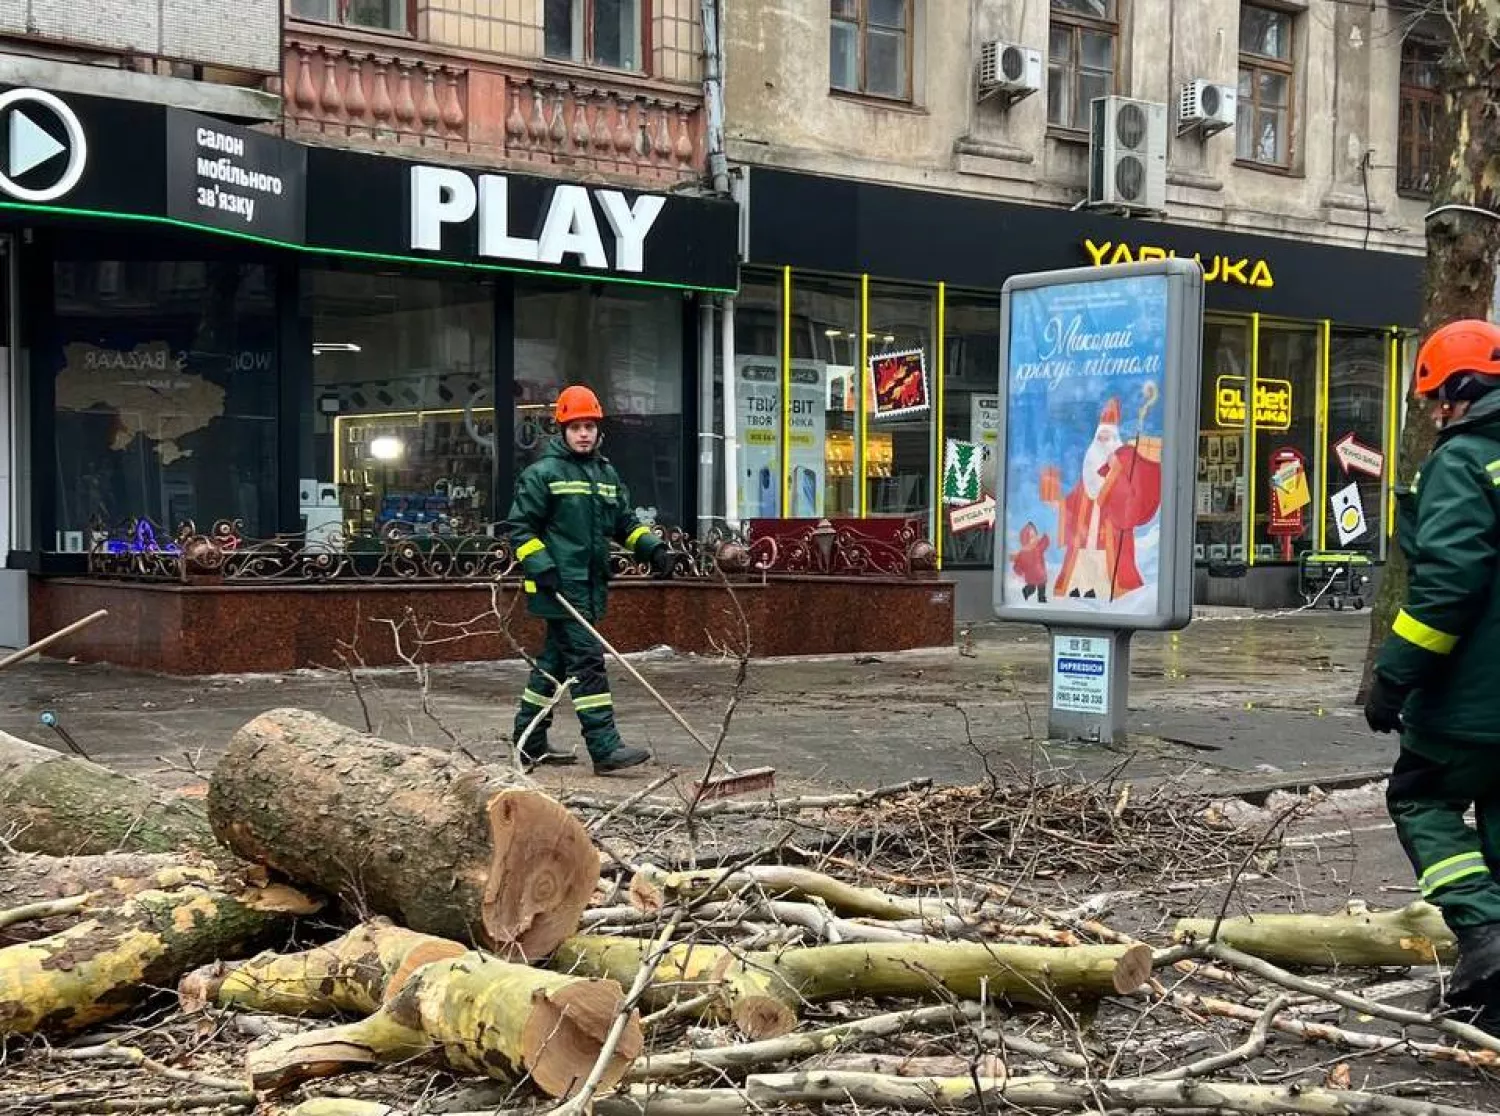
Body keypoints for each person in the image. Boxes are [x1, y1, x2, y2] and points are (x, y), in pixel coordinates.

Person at [1365, 317, 1500, 1033]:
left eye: (1438, 400)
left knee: (1420, 796)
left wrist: (1395, 677)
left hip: (1473, 703)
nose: (1436, 414)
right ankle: (1494, 999)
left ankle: (1484, 933)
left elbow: (1447, 586)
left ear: (1463, 389)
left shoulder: (1464, 462)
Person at [509, 385, 675, 775]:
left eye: (589, 426)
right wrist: (540, 564)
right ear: (562, 431)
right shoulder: (542, 474)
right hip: (558, 587)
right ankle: (604, 748)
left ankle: (528, 742)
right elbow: (520, 527)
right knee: (586, 662)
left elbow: (624, 523)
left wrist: (653, 548)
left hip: (589, 585)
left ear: (599, 431)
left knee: (553, 665)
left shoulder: (606, 474)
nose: (583, 433)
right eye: (575, 427)